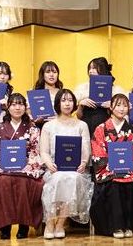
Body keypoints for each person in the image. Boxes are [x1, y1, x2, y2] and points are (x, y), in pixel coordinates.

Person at [0, 93, 44, 239]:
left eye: (20, 104)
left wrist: (29, 164)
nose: (17, 107)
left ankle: (24, 225)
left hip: (25, 168)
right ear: (8, 107)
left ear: (25, 107)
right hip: (4, 168)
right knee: (2, 182)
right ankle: (4, 226)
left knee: (24, 182)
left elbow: (35, 150)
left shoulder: (32, 128)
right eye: (13, 104)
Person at [89, 94, 133, 238]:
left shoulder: (131, 130)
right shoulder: (101, 129)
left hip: (129, 171)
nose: (121, 109)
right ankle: (116, 226)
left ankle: (128, 225)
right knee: (114, 184)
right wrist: (110, 167)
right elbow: (97, 151)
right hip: (108, 171)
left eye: (125, 105)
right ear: (111, 107)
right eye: (118, 105)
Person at [39, 88, 93, 239]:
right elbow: (43, 151)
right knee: (57, 179)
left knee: (72, 179)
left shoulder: (81, 125)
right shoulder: (48, 126)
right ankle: (50, 223)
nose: (67, 104)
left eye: (70, 100)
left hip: (75, 169)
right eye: (63, 100)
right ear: (58, 103)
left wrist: (83, 162)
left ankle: (60, 224)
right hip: (54, 168)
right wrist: (49, 164)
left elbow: (86, 148)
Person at [76, 57, 126, 135]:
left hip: (107, 129)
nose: (90, 71)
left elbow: (122, 114)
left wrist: (113, 106)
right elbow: (79, 116)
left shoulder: (116, 90)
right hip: (87, 126)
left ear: (103, 69)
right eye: (89, 68)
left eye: (94, 68)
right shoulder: (82, 89)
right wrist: (80, 104)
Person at [32, 61, 63, 127]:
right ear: (42, 74)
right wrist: (34, 119)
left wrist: (59, 118)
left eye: (54, 72)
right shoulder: (34, 93)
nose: (51, 75)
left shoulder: (63, 93)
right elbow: (28, 113)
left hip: (59, 127)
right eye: (48, 72)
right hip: (40, 127)